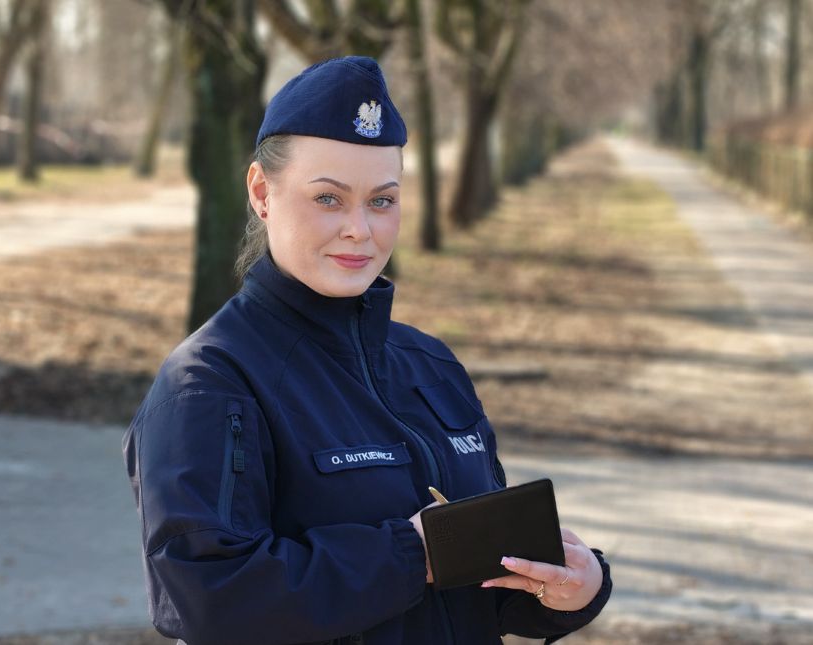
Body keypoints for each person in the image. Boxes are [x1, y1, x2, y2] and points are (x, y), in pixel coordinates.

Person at [122, 55, 612, 645]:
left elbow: (479, 588)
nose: (361, 228)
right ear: (261, 192)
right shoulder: (210, 383)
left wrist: (567, 591)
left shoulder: (432, 367)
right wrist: (415, 554)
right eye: (328, 198)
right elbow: (210, 597)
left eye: (382, 200)